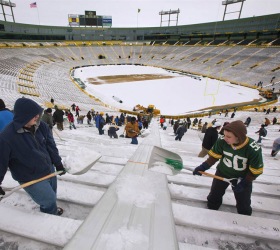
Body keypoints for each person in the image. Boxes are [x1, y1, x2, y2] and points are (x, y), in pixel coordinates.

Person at [0, 97, 66, 215]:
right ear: (23, 116)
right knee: (48, 199)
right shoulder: (7, 137)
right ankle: (50, 215)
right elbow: (1, 163)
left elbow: (51, 146)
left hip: (48, 168)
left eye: (38, 114)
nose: (37, 117)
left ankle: (51, 210)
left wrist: (58, 163)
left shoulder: (42, 126)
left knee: (52, 194)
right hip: (30, 176)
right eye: (33, 115)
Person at [193, 120, 263, 216]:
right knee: (214, 196)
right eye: (224, 135)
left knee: (244, 203)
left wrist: (245, 182)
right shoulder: (222, 141)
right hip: (222, 172)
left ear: (239, 137)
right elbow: (214, 157)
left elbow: (256, 170)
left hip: (241, 178)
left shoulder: (252, 148)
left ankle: (245, 218)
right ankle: (211, 210)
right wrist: (203, 167)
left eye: (229, 137)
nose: (225, 138)